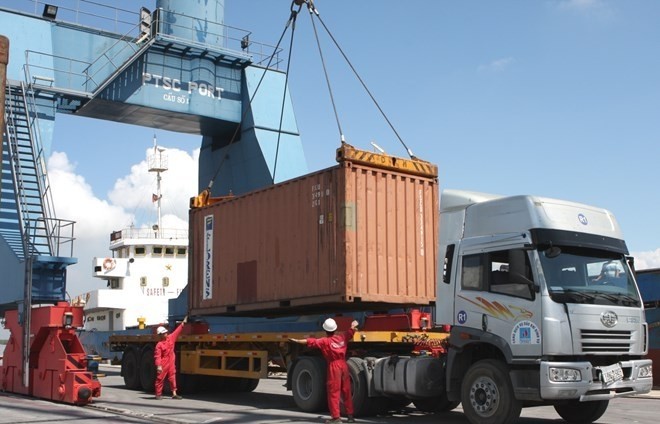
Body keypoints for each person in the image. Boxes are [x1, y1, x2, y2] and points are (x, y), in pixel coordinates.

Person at [289, 318, 358, 424]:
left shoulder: (325, 341)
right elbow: (351, 331)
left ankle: (336, 418)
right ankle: (350, 416)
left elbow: (310, 341)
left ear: (325, 330)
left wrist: (297, 341)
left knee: (334, 392)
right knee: (346, 390)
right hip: (343, 365)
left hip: (334, 366)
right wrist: (353, 325)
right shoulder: (342, 337)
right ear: (335, 329)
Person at [153, 315, 188, 400]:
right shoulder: (159, 345)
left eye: (166, 332)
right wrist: (159, 366)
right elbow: (157, 356)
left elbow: (177, 331)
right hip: (163, 362)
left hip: (171, 361)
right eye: (164, 333)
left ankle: (174, 393)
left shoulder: (171, 338)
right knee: (160, 378)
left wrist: (183, 323)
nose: (166, 333)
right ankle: (158, 394)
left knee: (172, 377)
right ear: (160, 335)